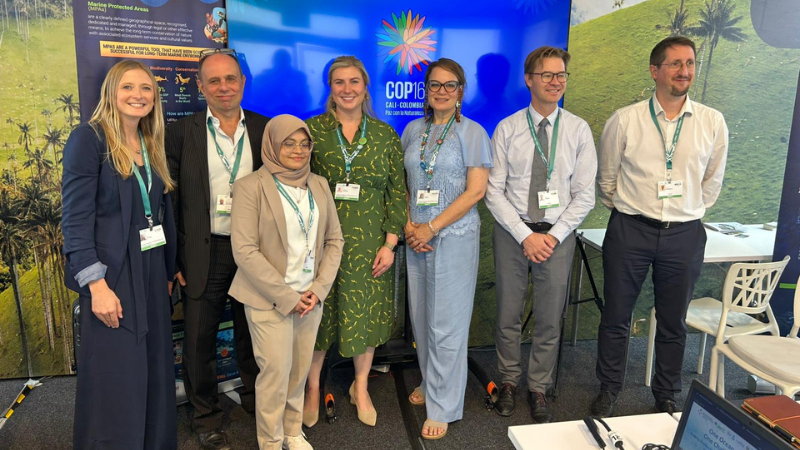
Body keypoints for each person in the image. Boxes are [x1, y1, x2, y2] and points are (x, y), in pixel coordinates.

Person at [593, 36, 728, 417]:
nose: (685, 71)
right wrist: (632, 210)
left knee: (673, 320)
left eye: (690, 63)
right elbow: (607, 180)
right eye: (675, 64)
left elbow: (712, 181)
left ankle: (666, 393)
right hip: (630, 229)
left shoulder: (712, 122)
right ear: (655, 71)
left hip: (684, 233)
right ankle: (609, 388)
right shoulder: (625, 120)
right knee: (616, 316)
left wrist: (685, 209)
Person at [62, 60, 177, 449]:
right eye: (128, 87)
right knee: (116, 376)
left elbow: (159, 212)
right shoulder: (88, 139)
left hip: (151, 269)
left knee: (155, 369)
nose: (138, 95)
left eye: (146, 88)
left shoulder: (150, 142)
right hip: (112, 276)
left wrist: (167, 271)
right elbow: (75, 220)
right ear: (111, 93)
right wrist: (96, 286)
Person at [485, 46, 597, 423]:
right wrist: (524, 235)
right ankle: (509, 381)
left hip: (557, 238)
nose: (555, 82)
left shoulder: (578, 130)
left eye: (561, 75)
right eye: (547, 75)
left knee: (550, 317)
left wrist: (553, 235)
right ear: (529, 79)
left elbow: (585, 194)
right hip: (512, 233)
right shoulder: (508, 128)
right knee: (508, 313)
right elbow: (493, 191)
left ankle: (539, 387)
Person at [165, 48, 268, 450]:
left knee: (253, 333)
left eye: (231, 78)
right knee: (198, 341)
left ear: (242, 82)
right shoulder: (181, 132)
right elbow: (171, 201)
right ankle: (205, 416)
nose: (224, 87)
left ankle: (258, 401)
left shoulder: (264, 128)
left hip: (254, 251)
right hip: (202, 251)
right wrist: (175, 258)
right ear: (201, 86)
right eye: (214, 80)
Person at [228, 115, 344, 450]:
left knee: (298, 371)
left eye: (304, 144)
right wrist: (287, 297)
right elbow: (245, 250)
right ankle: (270, 440)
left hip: (310, 298)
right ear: (272, 145)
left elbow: (334, 241)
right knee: (275, 374)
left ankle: (292, 431)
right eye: (289, 143)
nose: (298, 150)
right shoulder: (251, 186)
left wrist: (318, 290)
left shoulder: (319, 184)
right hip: (269, 299)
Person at [304, 56, 407, 427]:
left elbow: (397, 192)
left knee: (364, 314)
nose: (347, 89)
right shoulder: (311, 131)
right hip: (321, 242)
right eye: (339, 82)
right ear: (330, 88)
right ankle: (312, 388)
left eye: (354, 82)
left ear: (365, 87)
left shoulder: (384, 135)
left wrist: (390, 244)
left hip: (370, 245)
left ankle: (360, 387)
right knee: (317, 316)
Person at [402, 58, 493, 440]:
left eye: (450, 85)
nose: (442, 91)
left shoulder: (473, 133)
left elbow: (476, 191)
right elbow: (406, 183)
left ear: (460, 91)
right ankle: (432, 381)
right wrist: (410, 225)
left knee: (447, 324)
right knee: (422, 318)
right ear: (426, 90)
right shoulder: (413, 130)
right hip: (416, 238)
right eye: (435, 85)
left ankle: (444, 405)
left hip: (454, 237)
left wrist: (432, 227)